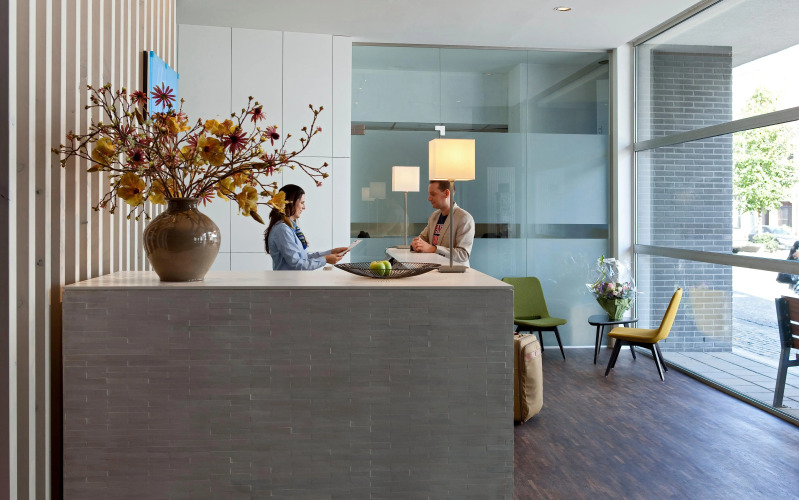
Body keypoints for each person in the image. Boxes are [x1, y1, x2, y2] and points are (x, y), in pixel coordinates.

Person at [264, 184, 348, 270]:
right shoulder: (282, 229)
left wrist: (331, 252)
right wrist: (326, 259)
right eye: (302, 203)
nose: (304, 207)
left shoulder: (290, 228)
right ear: (290, 202)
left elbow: (304, 258)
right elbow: (298, 264)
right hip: (287, 279)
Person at [411, 180, 475, 265]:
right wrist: (416, 244)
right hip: (434, 269)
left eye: (433, 194)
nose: (429, 198)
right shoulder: (434, 216)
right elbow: (422, 238)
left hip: (455, 272)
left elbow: (463, 254)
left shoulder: (464, 218)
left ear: (446, 193)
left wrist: (433, 249)